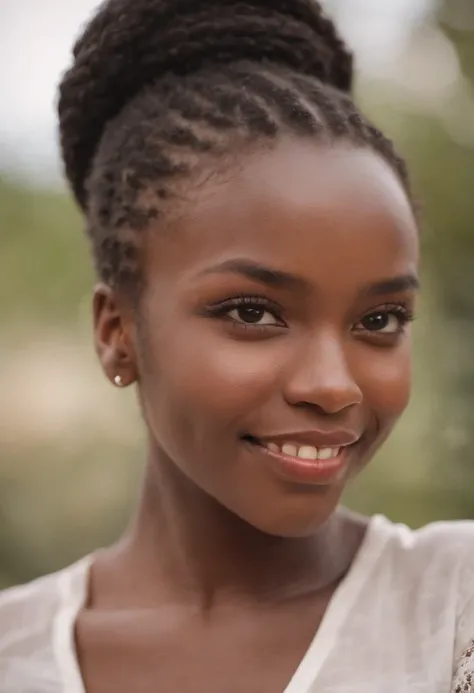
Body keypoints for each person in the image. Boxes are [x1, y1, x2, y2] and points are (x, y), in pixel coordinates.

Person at [1, 0, 473, 691]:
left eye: (379, 320)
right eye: (254, 311)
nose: (334, 385)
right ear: (117, 333)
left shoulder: (453, 610)